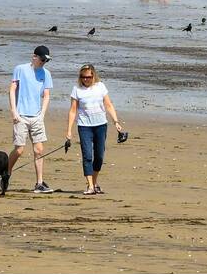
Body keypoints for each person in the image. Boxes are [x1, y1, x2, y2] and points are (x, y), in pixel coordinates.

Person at [65, 64, 123, 196]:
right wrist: (69, 131)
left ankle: (94, 182)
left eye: (89, 77)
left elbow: (108, 105)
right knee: (87, 156)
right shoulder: (76, 89)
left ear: (93, 76)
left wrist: (116, 122)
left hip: (101, 125)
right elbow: (73, 111)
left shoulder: (100, 86)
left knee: (99, 156)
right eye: (83, 77)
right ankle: (90, 186)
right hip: (84, 126)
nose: (86, 79)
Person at [9, 46, 54, 194]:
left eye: (45, 61)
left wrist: (42, 114)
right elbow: (12, 89)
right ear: (34, 57)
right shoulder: (20, 69)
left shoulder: (46, 74)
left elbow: (46, 95)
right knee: (19, 150)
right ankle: (6, 173)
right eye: (41, 59)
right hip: (20, 115)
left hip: (36, 117)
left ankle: (39, 183)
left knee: (39, 150)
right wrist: (14, 112)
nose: (43, 63)